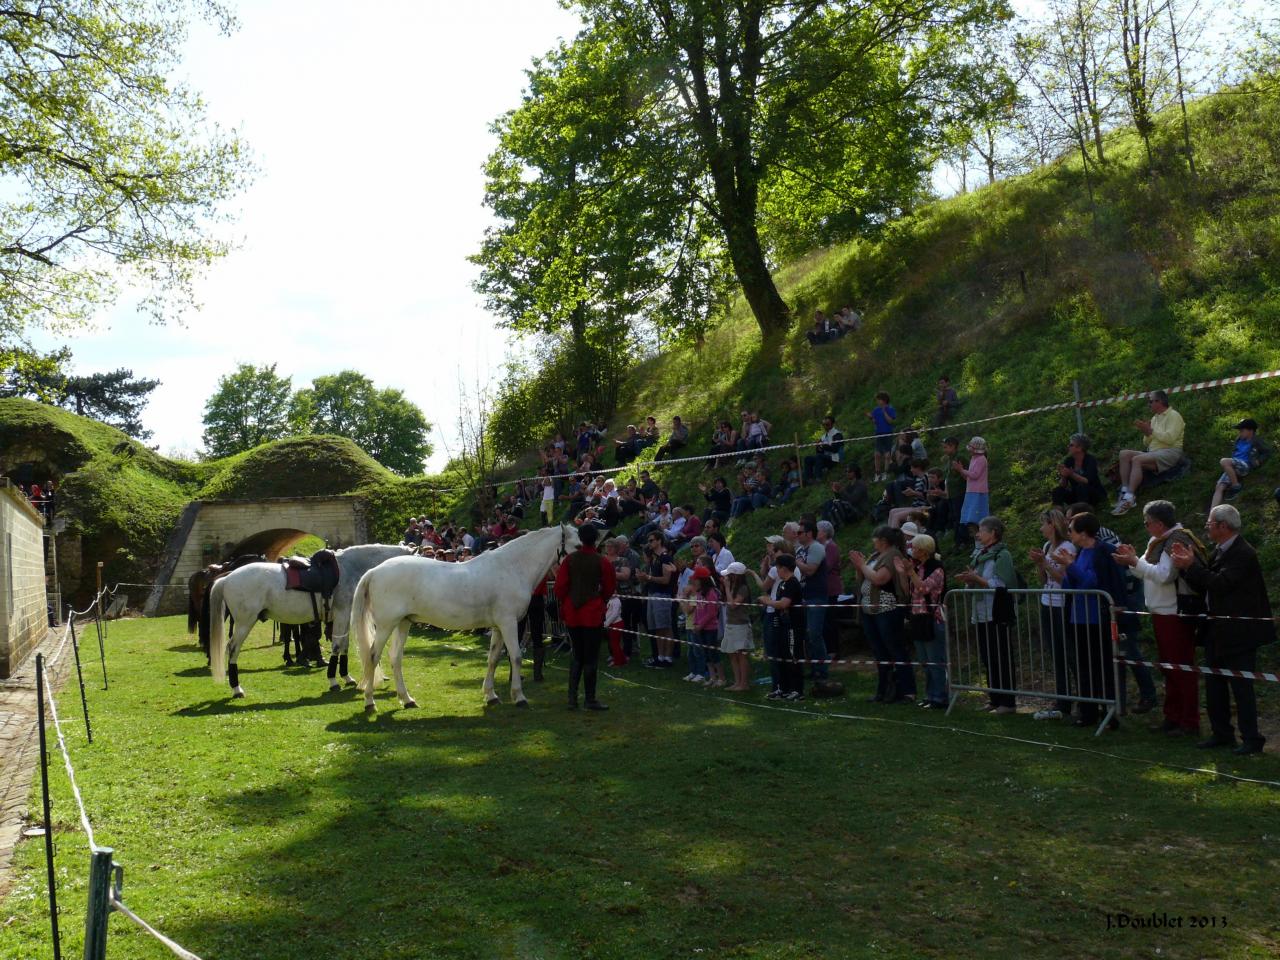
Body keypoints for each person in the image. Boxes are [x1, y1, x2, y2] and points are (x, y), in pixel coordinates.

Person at [1170, 504, 1275, 754]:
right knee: (1214, 684)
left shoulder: (1243, 553)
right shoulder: (1220, 551)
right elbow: (1206, 583)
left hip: (1239, 631)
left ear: (1222, 526)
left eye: (1209, 524)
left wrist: (1193, 566)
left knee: (1241, 686)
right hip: (1216, 628)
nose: (1207, 528)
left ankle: (1251, 739)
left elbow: (1221, 584)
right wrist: (1187, 568)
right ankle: (1222, 733)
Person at [1113, 500, 1205, 737]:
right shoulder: (1159, 541)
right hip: (1162, 612)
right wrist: (1133, 561)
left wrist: (1134, 562)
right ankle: (1172, 716)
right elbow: (1146, 570)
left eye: (1147, 523)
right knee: (1169, 668)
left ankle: (1188, 721)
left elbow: (1164, 575)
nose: (1145, 527)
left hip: (1174, 613)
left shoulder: (1176, 541)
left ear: (1158, 523)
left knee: (1181, 668)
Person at [1056, 513, 1128, 729]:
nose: (1068, 534)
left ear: (1083, 533)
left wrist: (1070, 566)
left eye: (1071, 530)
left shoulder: (1102, 551)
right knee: (1084, 666)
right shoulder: (1079, 553)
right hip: (1078, 618)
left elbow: (1091, 582)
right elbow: (1071, 585)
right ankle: (1087, 712)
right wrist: (1067, 568)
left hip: (1097, 618)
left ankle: (1109, 713)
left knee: (1102, 666)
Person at [955, 516, 1017, 714]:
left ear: (993, 533)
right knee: (987, 657)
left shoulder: (1003, 554)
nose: (978, 534)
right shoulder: (980, 554)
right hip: (981, 613)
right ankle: (994, 698)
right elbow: (980, 579)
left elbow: (1001, 584)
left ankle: (1007, 702)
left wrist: (977, 579)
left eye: (981, 530)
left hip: (996, 613)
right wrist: (969, 579)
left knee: (1001, 657)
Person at [553, 524, 617, 711]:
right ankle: (590, 699)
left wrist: (568, 601)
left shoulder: (569, 560)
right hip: (592, 613)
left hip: (573, 612)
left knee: (577, 655)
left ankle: (572, 699)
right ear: (596, 538)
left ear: (580, 538)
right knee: (590, 657)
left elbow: (559, 588)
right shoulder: (602, 561)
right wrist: (600, 599)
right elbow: (609, 586)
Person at [850, 527, 914, 704]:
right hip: (870, 611)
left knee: (895, 649)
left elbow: (880, 579)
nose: (873, 542)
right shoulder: (875, 556)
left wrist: (862, 565)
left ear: (883, 541)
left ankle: (907, 691)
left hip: (887, 610)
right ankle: (884, 690)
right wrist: (859, 567)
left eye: (875, 539)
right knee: (879, 652)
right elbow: (864, 578)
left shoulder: (893, 555)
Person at [1028, 509, 1075, 721]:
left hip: (1061, 605)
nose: (1040, 528)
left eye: (1043, 524)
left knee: (1067, 652)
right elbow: (1043, 578)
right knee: (1055, 652)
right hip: (1047, 602)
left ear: (1052, 525)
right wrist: (1040, 563)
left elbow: (1063, 579)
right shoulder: (1048, 546)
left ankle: (1078, 697)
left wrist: (1046, 563)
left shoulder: (1068, 548)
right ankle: (1062, 699)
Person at [1114, 390, 1185, 515]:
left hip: (1170, 452)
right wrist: (1146, 433)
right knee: (1124, 454)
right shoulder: (1154, 418)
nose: (1149, 404)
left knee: (1137, 460)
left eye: (1151, 401)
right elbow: (1146, 443)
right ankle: (1124, 491)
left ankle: (1130, 497)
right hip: (1154, 453)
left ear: (1160, 401)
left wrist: (1151, 431)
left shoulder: (1174, 415)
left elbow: (1170, 439)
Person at [899, 533, 947, 709]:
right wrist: (905, 573)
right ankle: (929, 695)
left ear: (924, 550)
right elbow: (910, 590)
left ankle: (940, 696)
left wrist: (910, 571)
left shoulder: (937, 568)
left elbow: (924, 588)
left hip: (932, 619)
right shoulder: (918, 567)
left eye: (916, 548)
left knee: (935, 661)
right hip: (917, 617)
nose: (913, 551)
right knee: (924, 661)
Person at [760, 554, 805, 700]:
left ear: (784, 568)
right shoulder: (781, 584)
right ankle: (783, 688)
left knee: (793, 656)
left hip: (793, 626)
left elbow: (784, 603)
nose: (776, 571)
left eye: (777, 568)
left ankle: (797, 690)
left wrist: (768, 602)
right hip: (782, 625)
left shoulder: (792, 583)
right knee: (782, 656)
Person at [794, 520, 830, 680]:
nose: (797, 535)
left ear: (809, 533)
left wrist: (798, 563)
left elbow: (810, 570)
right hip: (804, 595)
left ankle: (822, 670)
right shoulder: (801, 549)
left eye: (800, 532)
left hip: (816, 595)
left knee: (815, 633)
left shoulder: (816, 547)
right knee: (807, 636)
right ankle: (814, 668)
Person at [639, 531, 677, 667]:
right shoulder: (655, 557)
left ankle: (667, 658)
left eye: (651, 540)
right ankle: (660, 657)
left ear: (659, 541)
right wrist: (644, 577)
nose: (649, 543)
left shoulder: (665, 557)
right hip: (653, 594)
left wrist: (648, 578)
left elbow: (666, 580)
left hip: (662, 596)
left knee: (665, 627)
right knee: (657, 628)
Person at [1210, 418, 1264, 508]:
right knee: (1219, 487)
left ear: (1250, 431)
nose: (1240, 433)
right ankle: (1211, 517)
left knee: (1224, 461)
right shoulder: (1238, 440)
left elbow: (1267, 452)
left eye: (1242, 430)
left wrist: (1259, 461)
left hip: (1245, 465)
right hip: (1233, 466)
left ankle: (1236, 486)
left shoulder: (1256, 441)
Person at [721, 562, 755, 691]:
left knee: (741, 654)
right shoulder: (733, 587)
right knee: (732, 654)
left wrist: (727, 588)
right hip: (731, 623)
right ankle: (737, 682)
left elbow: (733, 604)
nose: (727, 577)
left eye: (729, 575)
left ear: (735, 576)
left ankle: (744, 683)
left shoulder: (743, 588)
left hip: (740, 625)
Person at [1051, 433, 1106, 507]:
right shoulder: (1069, 461)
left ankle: (1083, 511)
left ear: (1080, 448)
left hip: (1093, 493)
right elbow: (1063, 485)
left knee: (1082, 487)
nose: (1068, 447)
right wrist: (1063, 475)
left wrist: (1071, 474)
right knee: (1057, 490)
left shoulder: (1090, 460)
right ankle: (1058, 513)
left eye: (1071, 445)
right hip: (1077, 494)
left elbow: (1086, 481)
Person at [953, 437, 989, 542]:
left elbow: (974, 475)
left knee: (976, 520)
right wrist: (961, 471)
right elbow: (968, 476)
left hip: (978, 492)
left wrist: (961, 469)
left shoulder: (981, 459)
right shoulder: (973, 458)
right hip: (971, 491)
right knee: (970, 520)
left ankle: (982, 542)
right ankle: (977, 543)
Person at [866, 392, 898, 481]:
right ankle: (877, 473)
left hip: (888, 433)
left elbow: (890, 421)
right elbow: (875, 421)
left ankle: (886, 472)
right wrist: (870, 418)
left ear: (883, 400)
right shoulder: (876, 410)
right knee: (877, 454)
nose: (877, 401)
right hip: (878, 434)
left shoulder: (890, 409)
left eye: (878, 399)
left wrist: (884, 411)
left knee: (887, 455)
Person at [803, 415, 844, 482]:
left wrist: (823, 445)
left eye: (827, 424)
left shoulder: (837, 434)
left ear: (832, 424)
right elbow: (819, 452)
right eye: (823, 425)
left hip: (835, 458)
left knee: (819, 457)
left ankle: (818, 478)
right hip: (825, 458)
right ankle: (809, 479)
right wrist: (818, 447)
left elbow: (835, 449)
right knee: (808, 458)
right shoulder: (823, 437)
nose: (825, 426)